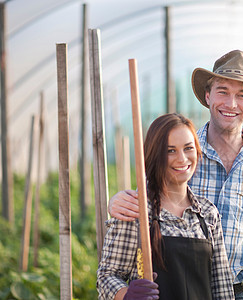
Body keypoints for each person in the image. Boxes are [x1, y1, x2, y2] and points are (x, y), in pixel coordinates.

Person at [108, 50, 243, 299]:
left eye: (241, 95)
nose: (231, 104)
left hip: (239, 289)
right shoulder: (184, 156)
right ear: (207, 95)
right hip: (182, 285)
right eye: (222, 91)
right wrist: (117, 201)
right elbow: (150, 199)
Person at [97, 113, 234, 300]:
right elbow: (107, 276)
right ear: (155, 154)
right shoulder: (136, 210)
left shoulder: (208, 213)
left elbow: (221, 286)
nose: (182, 158)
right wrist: (127, 295)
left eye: (188, 148)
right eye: (170, 151)